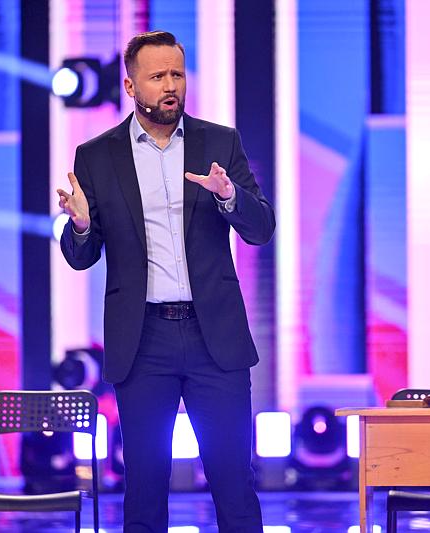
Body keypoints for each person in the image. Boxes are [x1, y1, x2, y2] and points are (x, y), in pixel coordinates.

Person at [56, 30, 275, 532]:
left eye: (177, 74)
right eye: (157, 76)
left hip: (213, 336)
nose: (170, 85)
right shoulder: (97, 156)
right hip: (143, 340)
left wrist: (229, 197)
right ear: (131, 86)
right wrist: (82, 226)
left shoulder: (220, 142)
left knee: (234, 481)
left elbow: (261, 228)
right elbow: (81, 257)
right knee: (145, 486)